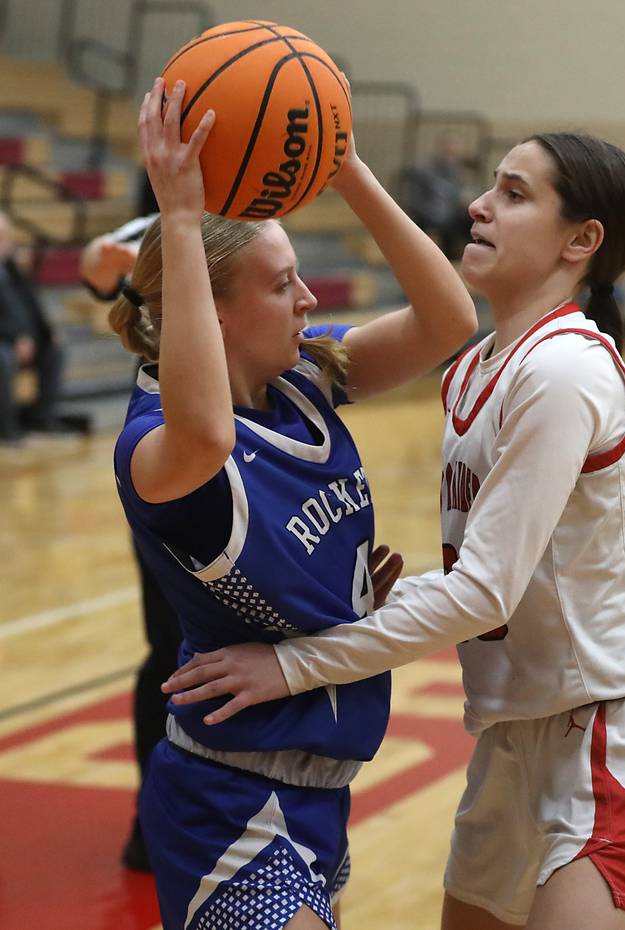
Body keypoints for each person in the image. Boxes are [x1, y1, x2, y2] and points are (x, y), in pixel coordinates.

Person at [164, 132, 625, 930]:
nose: (480, 206)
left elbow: (482, 593)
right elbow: (485, 580)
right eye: (492, 187)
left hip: (609, 739)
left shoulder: (564, 370)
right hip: (512, 742)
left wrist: (294, 665)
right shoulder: (479, 365)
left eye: (516, 195)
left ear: (581, 241)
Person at [113, 76, 476, 930]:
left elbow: (449, 318)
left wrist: (345, 167)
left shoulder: (306, 378)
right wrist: (178, 212)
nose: (309, 300)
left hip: (322, 790)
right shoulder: (155, 442)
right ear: (217, 311)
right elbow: (206, 435)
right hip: (228, 799)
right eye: (282, 286)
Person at [81, 211, 180, 873]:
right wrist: (109, 256)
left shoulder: (263, 222)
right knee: (169, 647)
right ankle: (154, 819)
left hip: (258, 439)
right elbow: (95, 266)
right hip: (168, 448)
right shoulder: (160, 222)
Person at [0, 211, 67, 444]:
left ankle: (43, 418)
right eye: (1, 237)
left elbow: (32, 303)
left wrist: (48, 331)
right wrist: (14, 337)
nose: (7, 243)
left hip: (23, 340)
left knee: (54, 351)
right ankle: (7, 428)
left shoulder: (13, 269)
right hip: (6, 342)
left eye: (6, 236)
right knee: (3, 360)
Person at [400, 131, 475, 260]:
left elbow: (459, 194)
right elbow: (420, 197)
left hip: (451, 213)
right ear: (442, 151)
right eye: (449, 153)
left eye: (455, 154)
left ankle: (463, 260)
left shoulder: (457, 172)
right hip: (429, 213)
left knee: (471, 221)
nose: (452, 157)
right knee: (448, 225)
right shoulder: (427, 170)